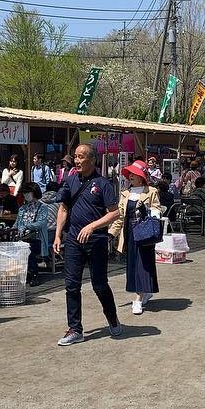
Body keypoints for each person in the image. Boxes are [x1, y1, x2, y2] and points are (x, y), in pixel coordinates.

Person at [53, 143, 123, 345]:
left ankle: (112, 318)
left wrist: (92, 226)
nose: (77, 160)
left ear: (92, 159)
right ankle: (75, 329)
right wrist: (58, 236)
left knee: (99, 285)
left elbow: (115, 212)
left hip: (97, 241)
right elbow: (63, 209)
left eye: (81, 156)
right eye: (75, 156)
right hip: (74, 240)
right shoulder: (70, 180)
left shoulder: (103, 184)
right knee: (71, 285)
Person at [109, 159, 165, 316]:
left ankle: (138, 299)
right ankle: (145, 291)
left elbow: (157, 210)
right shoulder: (125, 194)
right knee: (134, 266)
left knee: (142, 265)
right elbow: (120, 216)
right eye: (130, 174)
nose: (131, 176)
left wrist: (147, 210)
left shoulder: (151, 191)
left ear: (142, 176)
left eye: (134, 174)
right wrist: (111, 233)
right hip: (129, 235)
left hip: (145, 235)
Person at [16, 182, 51, 286]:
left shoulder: (43, 207)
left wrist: (27, 226)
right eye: (24, 193)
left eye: (28, 192)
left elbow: (41, 223)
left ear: (34, 192)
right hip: (22, 238)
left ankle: (34, 274)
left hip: (37, 239)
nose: (26, 195)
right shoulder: (22, 208)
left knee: (28, 248)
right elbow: (17, 223)